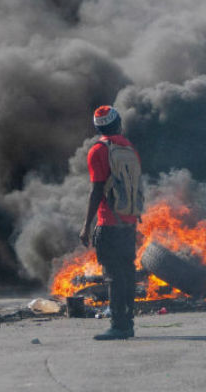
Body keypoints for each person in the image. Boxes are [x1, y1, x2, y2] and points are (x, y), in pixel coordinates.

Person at [79, 105, 141, 340]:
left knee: (114, 276)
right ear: (118, 124)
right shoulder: (129, 148)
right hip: (129, 221)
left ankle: (118, 325)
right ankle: (128, 323)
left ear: (98, 128)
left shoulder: (98, 150)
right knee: (126, 273)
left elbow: (96, 191)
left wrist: (87, 226)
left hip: (110, 222)